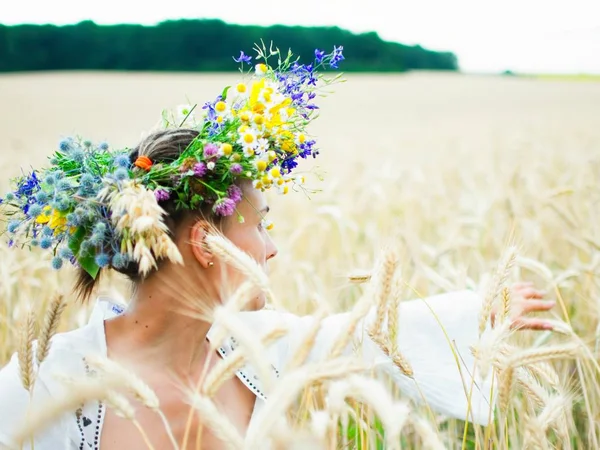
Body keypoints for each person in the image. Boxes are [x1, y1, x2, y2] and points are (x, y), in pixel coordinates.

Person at [0, 46, 554, 449]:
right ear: (206, 242)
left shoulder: (261, 350)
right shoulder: (44, 384)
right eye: (260, 225)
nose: (271, 249)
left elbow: (369, 331)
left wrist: (481, 311)